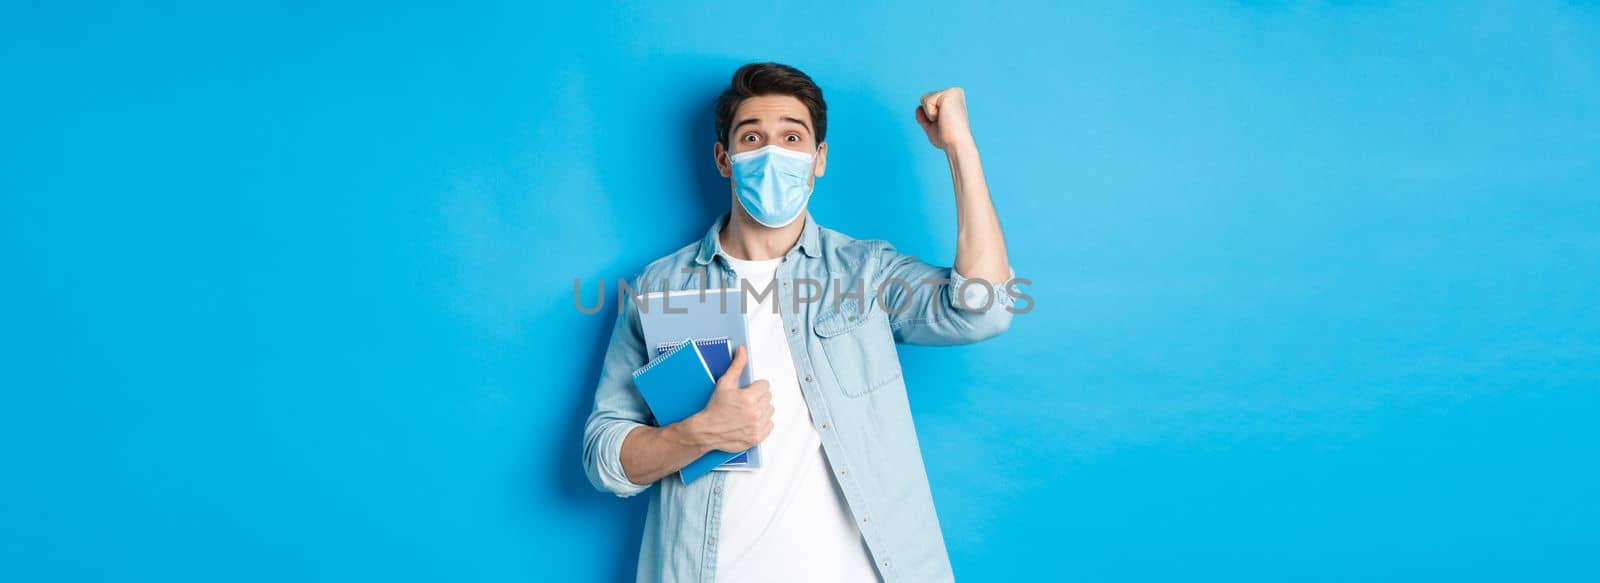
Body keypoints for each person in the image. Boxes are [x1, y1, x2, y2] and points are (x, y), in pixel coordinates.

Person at [582, 62, 1018, 583]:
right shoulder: (662, 287)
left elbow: (983, 308)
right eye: (752, 137)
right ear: (725, 158)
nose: (773, 153)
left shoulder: (865, 272)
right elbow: (603, 455)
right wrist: (696, 435)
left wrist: (960, 148)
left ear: (818, 160)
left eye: (792, 137)